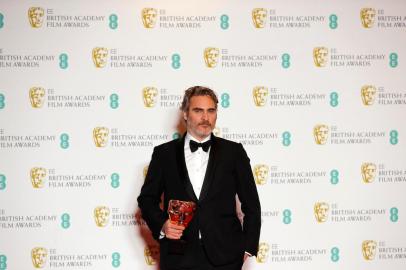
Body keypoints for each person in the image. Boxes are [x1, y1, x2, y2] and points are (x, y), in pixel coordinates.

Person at [137, 86, 261, 270]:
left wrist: (247, 248)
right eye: (198, 110)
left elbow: (251, 203)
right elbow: (147, 200)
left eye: (211, 111)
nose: (205, 117)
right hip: (178, 256)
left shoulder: (233, 152)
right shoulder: (164, 154)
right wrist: (163, 225)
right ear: (185, 114)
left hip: (226, 256)